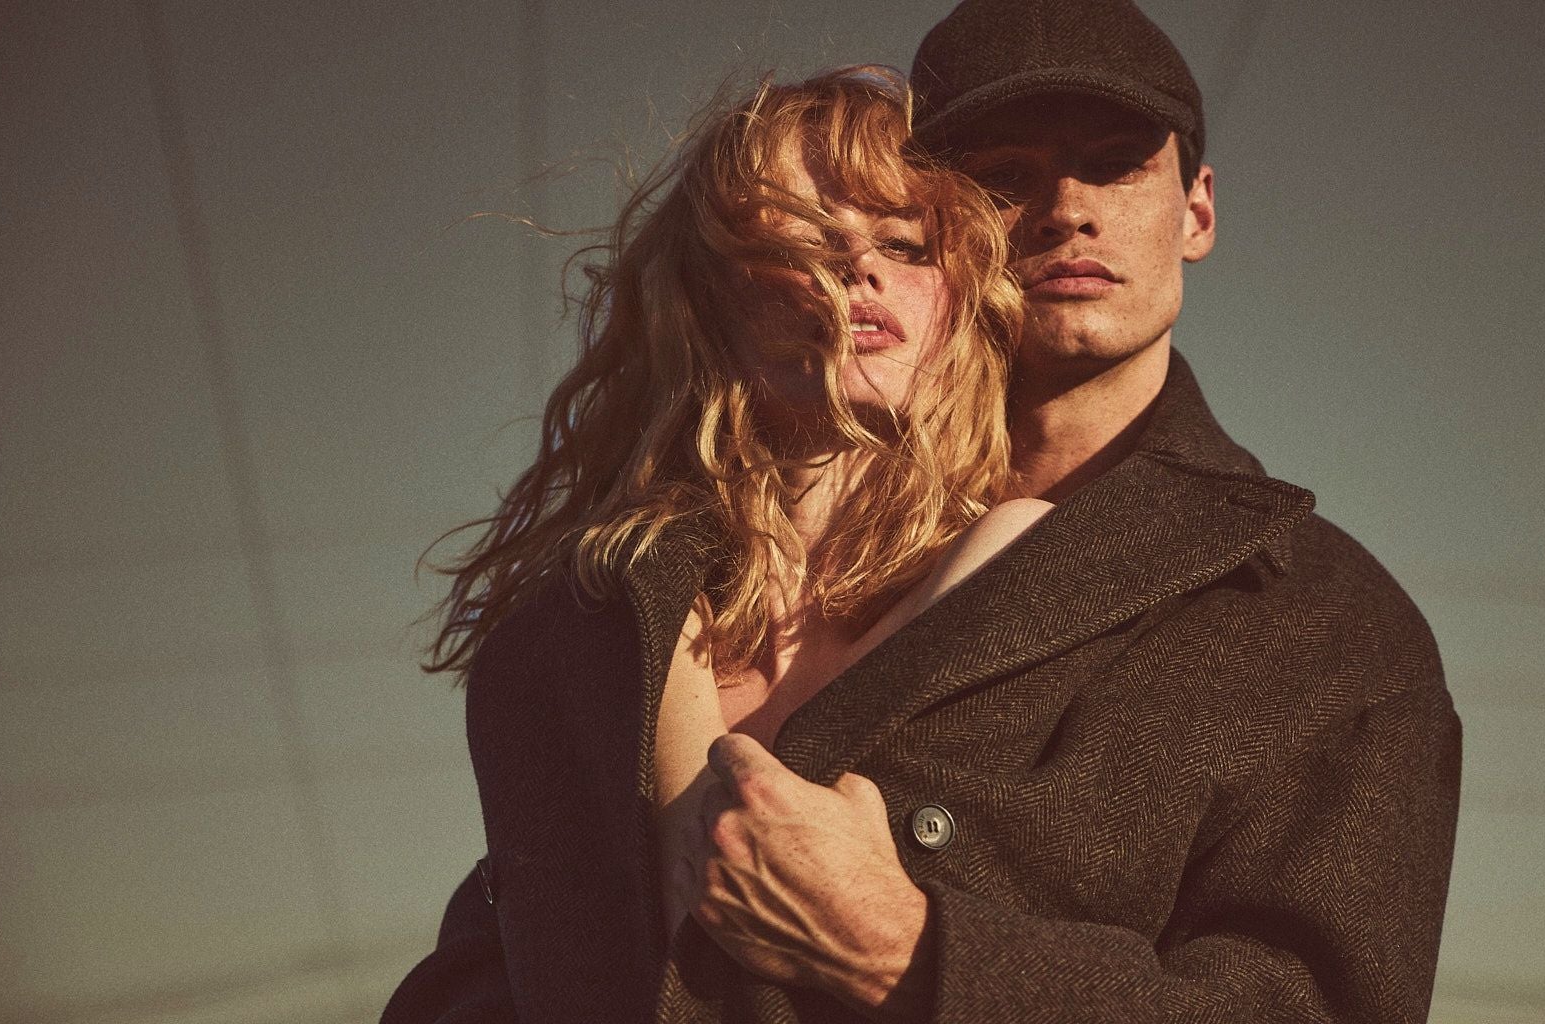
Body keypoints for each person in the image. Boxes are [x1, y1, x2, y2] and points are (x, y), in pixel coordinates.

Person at [387, 1, 1462, 1021]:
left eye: (1115, 163)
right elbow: (504, 946)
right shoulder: (651, 590)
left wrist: (906, 950)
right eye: (1005, 176)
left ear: (1198, 210)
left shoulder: (1321, 619)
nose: (1066, 208)